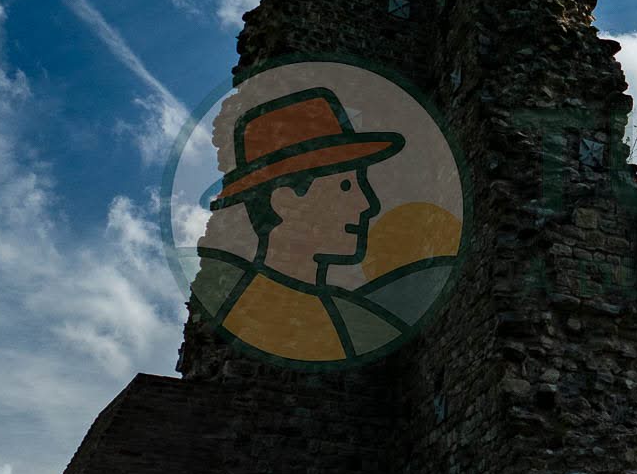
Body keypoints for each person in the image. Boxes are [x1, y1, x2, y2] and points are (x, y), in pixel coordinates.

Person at [190, 87, 454, 365]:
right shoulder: (261, 321)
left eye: (360, 183)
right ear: (284, 198)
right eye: (345, 185)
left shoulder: (348, 319)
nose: (368, 204)